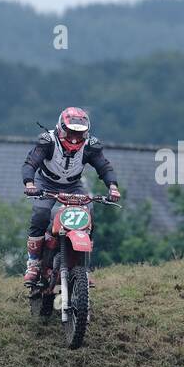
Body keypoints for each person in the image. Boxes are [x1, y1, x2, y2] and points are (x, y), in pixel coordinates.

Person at [21, 107, 120, 285]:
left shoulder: (91, 145)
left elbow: (104, 167)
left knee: (88, 213)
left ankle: (83, 266)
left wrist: (112, 187)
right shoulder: (47, 141)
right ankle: (34, 263)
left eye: (79, 133)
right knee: (41, 212)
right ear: (61, 128)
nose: (74, 138)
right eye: (70, 132)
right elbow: (30, 163)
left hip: (74, 186)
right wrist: (30, 183)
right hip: (46, 184)